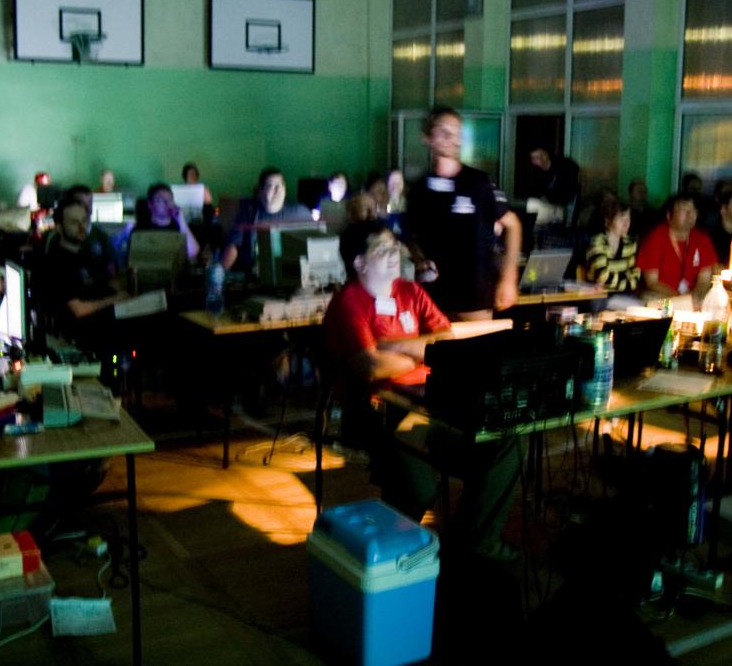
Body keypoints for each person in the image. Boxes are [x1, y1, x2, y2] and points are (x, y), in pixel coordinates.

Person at [324, 219, 522, 560]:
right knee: (418, 487)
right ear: (359, 263)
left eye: (394, 247)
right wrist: (422, 352)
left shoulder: (410, 291)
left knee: (507, 440)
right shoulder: (349, 303)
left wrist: (394, 346)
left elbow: (446, 340)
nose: (394, 255)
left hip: (432, 402)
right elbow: (372, 368)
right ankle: (392, 555)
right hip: (382, 413)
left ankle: (474, 542)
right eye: (382, 250)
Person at [404, 107, 521, 320]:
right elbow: (412, 237)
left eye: (455, 131)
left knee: (477, 342)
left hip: (475, 296)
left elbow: (513, 225)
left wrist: (508, 279)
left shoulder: (479, 182)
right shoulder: (420, 189)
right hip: (433, 296)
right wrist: (419, 259)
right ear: (427, 137)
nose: (449, 137)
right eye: (442, 130)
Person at [42, 198, 129, 347]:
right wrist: (119, 298)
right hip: (85, 336)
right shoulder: (57, 262)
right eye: (74, 222)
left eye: (84, 221)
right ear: (59, 227)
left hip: (107, 323)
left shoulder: (86, 254)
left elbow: (103, 283)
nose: (82, 227)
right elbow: (79, 310)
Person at [220, 167, 313, 272]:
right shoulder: (249, 213)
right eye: (271, 186)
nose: (277, 190)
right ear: (261, 191)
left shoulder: (300, 212)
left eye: (280, 185)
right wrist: (221, 270)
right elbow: (233, 246)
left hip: (292, 271)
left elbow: (317, 243)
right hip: (258, 272)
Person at [636, 193, 718, 303]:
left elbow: (704, 281)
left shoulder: (702, 239)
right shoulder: (655, 238)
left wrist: (693, 298)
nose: (690, 215)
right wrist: (681, 299)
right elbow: (652, 282)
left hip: (693, 298)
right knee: (648, 297)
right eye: (684, 210)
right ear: (669, 216)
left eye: (693, 210)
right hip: (664, 297)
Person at [584, 198, 639, 295]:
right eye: (621, 219)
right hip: (600, 296)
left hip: (624, 295)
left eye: (628, 218)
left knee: (659, 302)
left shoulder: (630, 243)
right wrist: (625, 277)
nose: (626, 223)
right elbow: (602, 276)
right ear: (607, 221)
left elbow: (635, 279)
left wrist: (610, 281)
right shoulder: (596, 243)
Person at [136, 183, 200, 260]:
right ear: (150, 204)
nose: (167, 203)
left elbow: (192, 253)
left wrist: (181, 219)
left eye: (170, 199)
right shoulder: (140, 229)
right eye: (160, 200)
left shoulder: (180, 226)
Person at [527, 145, 581, 223]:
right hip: (548, 205)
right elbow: (536, 193)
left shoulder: (564, 165)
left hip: (563, 206)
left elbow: (570, 191)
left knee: (533, 206)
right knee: (530, 204)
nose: (540, 160)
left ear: (546, 154)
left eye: (541, 155)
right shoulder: (537, 174)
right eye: (535, 158)